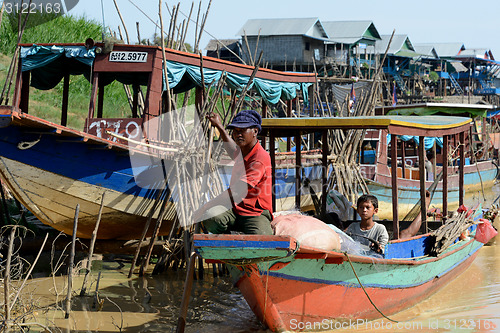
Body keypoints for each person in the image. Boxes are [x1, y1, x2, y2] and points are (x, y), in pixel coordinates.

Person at [196, 109, 273, 235]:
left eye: (242, 131)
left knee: (262, 239)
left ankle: (240, 235)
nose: (238, 135)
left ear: (255, 131)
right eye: (235, 131)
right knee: (211, 217)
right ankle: (231, 236)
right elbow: (232, 150)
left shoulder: (259, 158)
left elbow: (238, 191)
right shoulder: (243, 151)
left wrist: (206, 205)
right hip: (235, 209)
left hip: (255, 213)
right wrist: (219, 126)